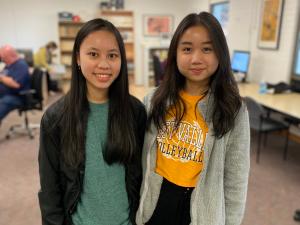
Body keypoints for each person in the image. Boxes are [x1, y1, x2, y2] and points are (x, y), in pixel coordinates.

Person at [136, 12, 250, 225]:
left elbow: (236, 179)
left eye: (207, 49)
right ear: (175, 53)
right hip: (157, 200)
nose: (196, 58)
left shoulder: (233, 110)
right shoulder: (153, 100)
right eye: (187, 49)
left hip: (202, 207)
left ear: (220, 54)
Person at [38, 18, 147, 225]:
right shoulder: (55, 119)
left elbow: (140, 177)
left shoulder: (135, 112)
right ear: (78, 58)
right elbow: (50, 190)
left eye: (112, 55)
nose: (104, 64)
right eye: (93, 54)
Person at [0, 45, 30, 123]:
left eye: (3, 57)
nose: (2, 59)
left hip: (17, 97)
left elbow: (16, 85)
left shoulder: (21, 65)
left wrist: (2, 78)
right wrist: (5, 79)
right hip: (5, 94)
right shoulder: (8, 66)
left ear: (11, 56)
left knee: (4, 102)